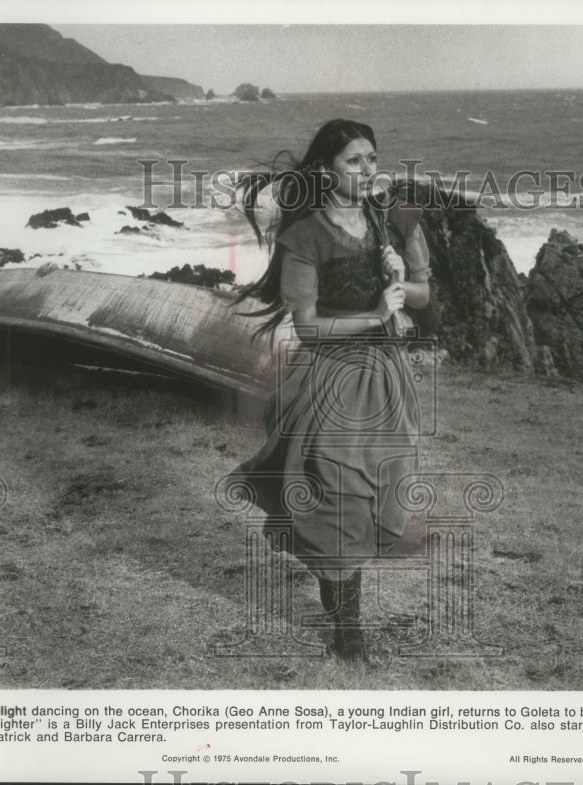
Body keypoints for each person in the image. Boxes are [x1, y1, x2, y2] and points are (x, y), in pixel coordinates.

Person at [226, 119, 431, 662]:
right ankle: (349, 632)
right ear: (325, 170)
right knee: (336, 499)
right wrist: (374, 315)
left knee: (374, 496)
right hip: (333, 381)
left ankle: (346, 618)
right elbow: (310, 326)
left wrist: (401, 283)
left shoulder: (396, 217)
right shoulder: (306, 238)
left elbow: (424, 294)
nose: (367, 170)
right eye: (353, 161)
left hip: (388, 380)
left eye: (372, 158)